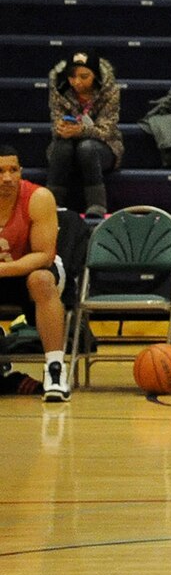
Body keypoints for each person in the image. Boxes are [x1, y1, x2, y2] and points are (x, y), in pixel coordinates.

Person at [0, 146, 69, 403]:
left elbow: (44, 254)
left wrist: (4, 269)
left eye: (13, 170)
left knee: (40, 280)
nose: (7, 178)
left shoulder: (38, 197)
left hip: (35, 270)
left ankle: (55, 369)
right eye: (0, 171)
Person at [46, 51, 122, 217]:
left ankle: (97, 205)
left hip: (103, 148)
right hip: (68, 148)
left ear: (95, 75)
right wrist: (61, 129)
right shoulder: (59, 90)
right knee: (62, 147)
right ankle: (51, 203)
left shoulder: (110, 91)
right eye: (72, 77)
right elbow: (56, 124)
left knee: (87, 148)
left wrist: (81, 131)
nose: (76, 82)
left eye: (84, 76)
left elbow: (106, 131)